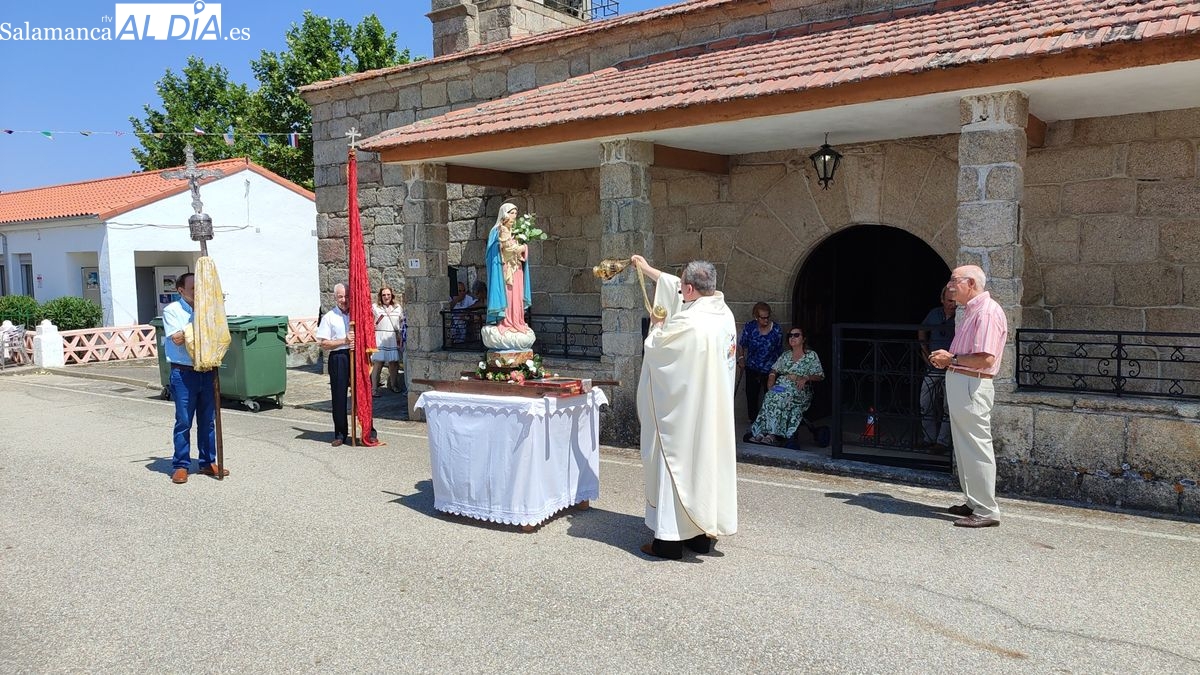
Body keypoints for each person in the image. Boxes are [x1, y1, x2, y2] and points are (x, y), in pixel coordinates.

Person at [630, 255, 738, 560]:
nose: (679, 290)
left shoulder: (688, 323)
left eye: (682, 287)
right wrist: (647, 270)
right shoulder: (723, 314)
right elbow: (675, 287)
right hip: (713, 412)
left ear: (689, 289)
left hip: (684, 418)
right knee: (705, 467)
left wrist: (656, 327)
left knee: (676, 466)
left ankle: (668, 543)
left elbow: (658, 350)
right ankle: (701, 537)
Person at [929, 265, 1008, 529]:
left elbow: (985, 359)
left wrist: (950, 359)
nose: (950, 286)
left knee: (975, 446)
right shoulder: (973, 311)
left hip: (971, 384)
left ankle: (986, 509)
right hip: (965, 382)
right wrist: (950, 360)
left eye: (954, 281)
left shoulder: (986, 312)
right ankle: (974, 501)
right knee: (965, 446)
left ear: (971, 283)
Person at [162, 272, 228, 484]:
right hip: (184, 372)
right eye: (193, 289)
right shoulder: (172, 310)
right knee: (184, 420)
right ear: (181, 290)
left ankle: (207, 461)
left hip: (207, 370)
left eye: (199, 288)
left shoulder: (207, 309)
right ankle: (181, 465)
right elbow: (177, 338)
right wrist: (199, 321)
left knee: (208, 420)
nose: (197, 293)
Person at [748, 326, 824, 446]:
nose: (792, 338)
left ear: (803, 339)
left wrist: (806, 378)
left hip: (799, 389)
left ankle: (773, 434)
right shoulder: (786, 355)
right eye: (790, 336)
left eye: (796, 335)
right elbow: (774, 368)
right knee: (769, 396)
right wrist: (771, 377)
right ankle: (761, 432)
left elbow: (820, 376)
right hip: (782, 386)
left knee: (780, 397)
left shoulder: (811, 355)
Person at [917, 289, 957, 452]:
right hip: (933, 366)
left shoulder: (961, 315)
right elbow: (922, 330)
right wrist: (925, 352)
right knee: (925, 401)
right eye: (949, 301)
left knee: (949, 405)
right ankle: (929, 438)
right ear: (942, 300)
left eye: (955, 301)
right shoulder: (934, 313)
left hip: (952, 368)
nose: (953, 305)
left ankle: (942, 442)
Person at [485, 202, 531, 335]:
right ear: (504, 214)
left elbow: (519, 248)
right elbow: (495, 251)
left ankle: (518, 321)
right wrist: (517, 248)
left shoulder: (517, 232)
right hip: (504, 270)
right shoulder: (497, 231)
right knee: (509, 295)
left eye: (516, 213)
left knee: (517, 295)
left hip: (517, 268)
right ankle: (506, 321)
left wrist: (523, 247)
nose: (514, 216)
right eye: (511, 213)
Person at [317, 283, 353, 446]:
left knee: (361, 394)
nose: (344, 300)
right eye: (340, 296)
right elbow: (324, 343)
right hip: (339, 357)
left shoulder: (355, 314)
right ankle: (340, 433)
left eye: (346, 296)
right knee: (339, 396)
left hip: (355, 356)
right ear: (335, 298)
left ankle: (368, 431)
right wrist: (344, 341)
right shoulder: (329, 317)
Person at [737, 302, 783, 423]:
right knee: (751, 395)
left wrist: (776, 370)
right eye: (762, 318)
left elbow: (779, 350)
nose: (766, 320)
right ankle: (753, 421)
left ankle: (770, 423)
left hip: (771, 369)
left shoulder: (776, 329)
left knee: (771, 395)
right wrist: (741, 358)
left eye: (767, 317)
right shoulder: (750, 327)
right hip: (752, 367)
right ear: (756, 317)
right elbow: (741, 344)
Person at [371, 286, 406, 394]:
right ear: (380, 296)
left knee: (394, 363)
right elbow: (369, 322)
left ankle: (393, 385)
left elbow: (402, 323)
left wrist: (401, 336)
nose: (386, 297)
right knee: (378, 363)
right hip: (380, 337)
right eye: (384, 295)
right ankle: (374, 389)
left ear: (392, 296)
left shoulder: (397, 307)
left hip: (392, 338)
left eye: (388, 295)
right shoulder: (375, 307)